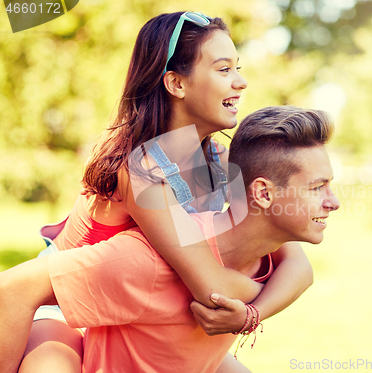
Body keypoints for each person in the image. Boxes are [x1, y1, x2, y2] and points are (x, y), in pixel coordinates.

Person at [15, 11, 314, 373]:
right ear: (176, 83)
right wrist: (256, 293)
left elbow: (297, 264)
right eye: (224, 70)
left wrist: (251, 314)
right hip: (65, 306)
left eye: (238, 68)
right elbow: (210, 288)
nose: (241, 82)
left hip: (138, 313)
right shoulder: (136, 167)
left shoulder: (219, 160)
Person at [0, 105, 340, 373]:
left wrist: (252, 313)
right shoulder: (147, 260)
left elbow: (300, 269)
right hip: (60, 313)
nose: (334, 202)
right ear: (263, 194)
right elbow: (13, 288)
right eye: (316, 188)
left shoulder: (269, 255)